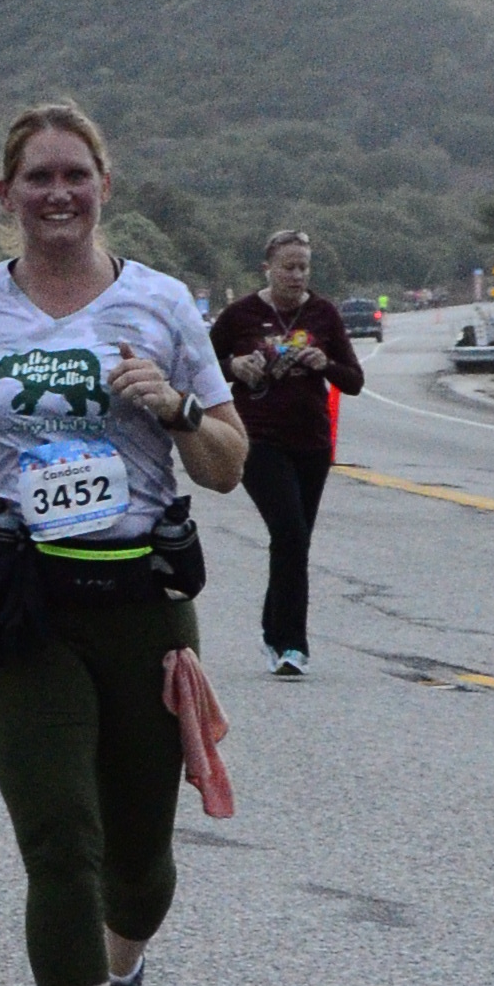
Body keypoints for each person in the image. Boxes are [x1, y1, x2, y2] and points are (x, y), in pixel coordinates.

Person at [0, 103, 247, 986]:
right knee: (60, 838)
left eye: (75, 175)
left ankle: (122, 968)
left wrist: (178, 409)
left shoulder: (162, 304)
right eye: (38, 177)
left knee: (139, 862)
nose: (57, 194)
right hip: (15, 600)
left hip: (141, 598)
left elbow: (228, 464)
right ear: (6, 193)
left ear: (105, 185)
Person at [210, 223, 362, 673]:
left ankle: (273, 631)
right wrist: (235, 366)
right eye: (288, 268)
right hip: (257, 439)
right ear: (268, 268)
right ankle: (293, 645)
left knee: (294, 541)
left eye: (304, 268)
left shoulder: (323, 314)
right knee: (290, 532)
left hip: (311, 441)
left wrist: (325, 363)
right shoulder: (240, 315)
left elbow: (354, 380)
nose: (297, 276)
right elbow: (197, 367)